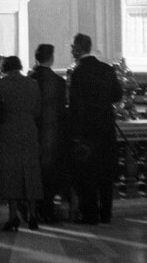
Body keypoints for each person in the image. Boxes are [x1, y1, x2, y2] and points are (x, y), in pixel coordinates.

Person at [68, 33, 123, 225]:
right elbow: (117, 95)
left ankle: (90, 215)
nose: (71, 49)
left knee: (88, 174)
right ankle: (106, 214)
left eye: (73, 46)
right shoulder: (107, 69)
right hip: (106, 128)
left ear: (79, 48)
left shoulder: (78, 72)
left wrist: (76, 135)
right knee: (105, 174)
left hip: (87, 131)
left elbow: (76, 106)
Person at [0, 55, 43, 231]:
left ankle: (13, 216)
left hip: (7, 132)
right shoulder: (33, 84)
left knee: (11, 174)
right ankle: (33, 215)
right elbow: (37, 111)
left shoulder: (0, 85)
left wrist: (1, 123)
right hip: (29, 131)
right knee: (30, 172)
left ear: (5, 68)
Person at [29, 43, 67, 222]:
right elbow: (62, 111)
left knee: (35, 173)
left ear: (37, 57)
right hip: (54, 134)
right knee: (51, 174)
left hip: (35, 133)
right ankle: (48, 210)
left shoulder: (30, 80)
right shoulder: (60, 82)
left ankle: (36, 210)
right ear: (52, 59)